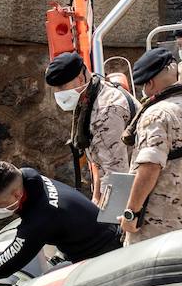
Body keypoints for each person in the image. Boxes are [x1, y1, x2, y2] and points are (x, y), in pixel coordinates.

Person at [119, 47, 182, 246]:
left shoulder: (156, 115)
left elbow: (150, 167)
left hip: (154, 231)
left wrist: (131, 213)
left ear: (149, 84)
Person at [45, 51, 136, 207]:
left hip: (133, 192)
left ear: (80, 79)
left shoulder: (105, 111)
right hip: (116, 184)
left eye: (61, 87)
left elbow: (117, 177)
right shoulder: (91, 92)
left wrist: (108, 219)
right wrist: (96, 198)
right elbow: (97, 158)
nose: (58, 94)